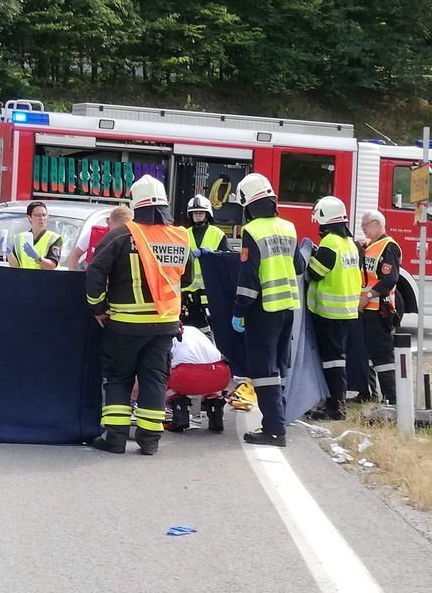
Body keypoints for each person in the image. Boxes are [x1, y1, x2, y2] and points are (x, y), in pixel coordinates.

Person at [84, 175, 191, 455]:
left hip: (126, 324)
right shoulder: (180, 235)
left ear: (136, 204)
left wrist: (98, 308)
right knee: (154, 380)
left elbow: (95, 272)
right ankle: (150, 441)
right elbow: (188, 277)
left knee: (119, 378)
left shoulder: (121, 235)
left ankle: (116, 439)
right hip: (165, 323)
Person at [231, 172, 301, 447]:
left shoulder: (253, 231)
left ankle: (273, 430)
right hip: (287, 306)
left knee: (263, 370)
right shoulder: (289, 227)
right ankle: (279, 421)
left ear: (248, 204)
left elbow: (248, 277)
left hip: (263, 308)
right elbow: (299, 266)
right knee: (279, 368)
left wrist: (239, 310)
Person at [304, 196, 360, 421]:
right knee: (337, 359)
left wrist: (309, 258)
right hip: (345, 311)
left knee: (332, 360)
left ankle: (335, 407)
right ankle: (335, 402)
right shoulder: (350, 244)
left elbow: (314, 273)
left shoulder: (329, 244)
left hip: (328, 312)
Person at [358, 209, 402, 404]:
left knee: (383, 357)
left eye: (365, 225)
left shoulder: (388, 247)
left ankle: (391, 399)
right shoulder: (370, 246)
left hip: (378, 310)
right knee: (366, 354)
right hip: (367, 311)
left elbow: (389, 280)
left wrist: (367, 297)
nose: (363, 229)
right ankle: (368, 393)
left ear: (377, 223)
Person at [165, 324, 230, 433]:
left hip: (187, 376)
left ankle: (180, 415)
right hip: (220, 373)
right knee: (210, 380)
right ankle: (216, 414)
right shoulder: (197, 332)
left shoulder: (170, 335)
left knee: (161, 376)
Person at [182, 194, 231, 329]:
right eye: (194, 213)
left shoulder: (217, 234)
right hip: (189, 292)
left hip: (211, 289)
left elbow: (229, 259)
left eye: (201, 212)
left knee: (212, 328)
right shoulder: (183, 234)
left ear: (207, 214)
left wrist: (215, 254)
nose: (197, 215)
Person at [66, 205, 134, 271]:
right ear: (109, 223)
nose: (120, 233)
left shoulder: (133, 240)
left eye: (124, 229)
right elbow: (76, 254)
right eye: (118, 229)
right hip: (90, 279)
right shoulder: (94, 234)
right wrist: (71, 274)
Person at [6, 201, 62, 269]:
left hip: (46, 279)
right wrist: (8, 252)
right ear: (29, 217)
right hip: (25, 278)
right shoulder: (19, 238)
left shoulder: (54, 238)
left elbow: (52, 266)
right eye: (38, 215)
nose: (42, 218)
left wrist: (37, 258)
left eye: (44, 215)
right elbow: (15, 266)